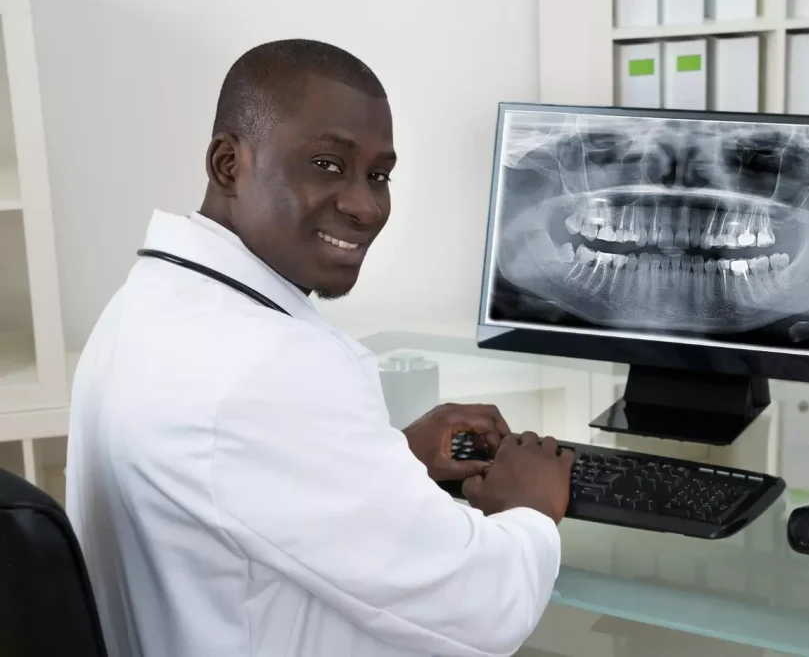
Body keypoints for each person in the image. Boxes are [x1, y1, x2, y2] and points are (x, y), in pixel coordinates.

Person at [65, 38, 576, 657]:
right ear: (228, 164)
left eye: (379, 175)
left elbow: (241, 483)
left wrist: (389, 459)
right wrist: (531, 507)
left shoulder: (146, 306)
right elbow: (484, 606)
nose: (365, 206)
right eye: (327, 165)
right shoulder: (268, 366)